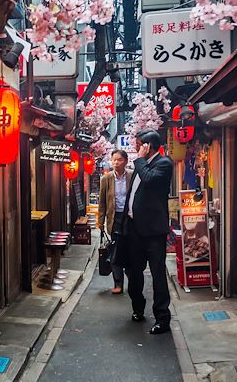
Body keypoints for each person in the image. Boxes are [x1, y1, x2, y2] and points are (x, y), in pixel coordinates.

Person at [118, 130, 174, 335]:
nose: (135, 148)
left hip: (153, 232)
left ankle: (162, 318)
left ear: (148, 146)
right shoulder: (141, 167)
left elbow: (150, 181)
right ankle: (137, 308)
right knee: (133, 272)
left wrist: (140, 161)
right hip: (134, 230)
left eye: (138, 144)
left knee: (158, 274)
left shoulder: (164, 164)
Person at [97, 149, 131, 294]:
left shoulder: (132, 176)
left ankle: (133, 280)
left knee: (130, 250)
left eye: (119, 160)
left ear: (126, 161)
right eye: (114, 160)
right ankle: (118, 283)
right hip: (115, 218)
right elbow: (102, 202)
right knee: (115, 250)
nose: (116, 163)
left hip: (130, 218)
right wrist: (100, 221)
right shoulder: (106, 179)